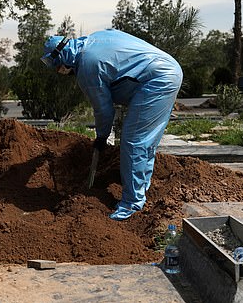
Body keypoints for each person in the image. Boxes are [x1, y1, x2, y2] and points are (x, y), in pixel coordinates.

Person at [41, 29, 183, 220]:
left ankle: (132, 203)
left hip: (157, 79)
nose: (61, 71)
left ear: (62, 57)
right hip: (165, 69)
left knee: (134, 141)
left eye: (59, 67)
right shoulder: (95, 38)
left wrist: (101, 137)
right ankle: (139, 186)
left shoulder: (87, 67)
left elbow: (104, 110)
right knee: (142, 140)